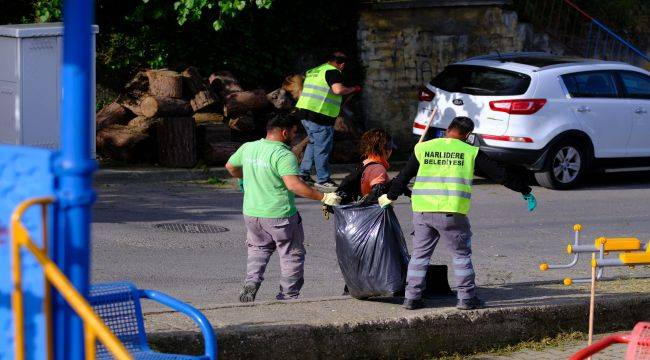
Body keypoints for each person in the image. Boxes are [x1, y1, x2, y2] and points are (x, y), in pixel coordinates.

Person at [378, 116, 537, 310]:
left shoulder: (423, 148)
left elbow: (403, 177)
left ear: (448, 129)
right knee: (461, 256)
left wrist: (390, 197)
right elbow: (500, 174)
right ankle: (466, 298)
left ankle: (411, 298)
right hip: (451, 214)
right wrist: (524, 190)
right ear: (468, 135)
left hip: (422, 212)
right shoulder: (470, 151)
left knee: (419, 256)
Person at [225, 114, 342, 303]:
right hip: (280, 215)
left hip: (252, 213)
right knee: (291, 254)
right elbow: (294, 186)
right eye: (295, 133)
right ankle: (287, 296)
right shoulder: (283, 154)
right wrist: (324, 196)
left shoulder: (249, 147)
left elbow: (230, 166)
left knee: (258, 249)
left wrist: (243, 178)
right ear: (285, 132)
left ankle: (251, 283)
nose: (295, 136)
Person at [296, 51, 362, 190]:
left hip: (304, 112)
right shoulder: (333, 71)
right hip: (320, 115)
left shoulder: (315, 71)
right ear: (342, 64)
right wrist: (352, 89)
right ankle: (323, 179)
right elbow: (337, 90)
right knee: (322, 147)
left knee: (312, 143)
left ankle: (303, 174)